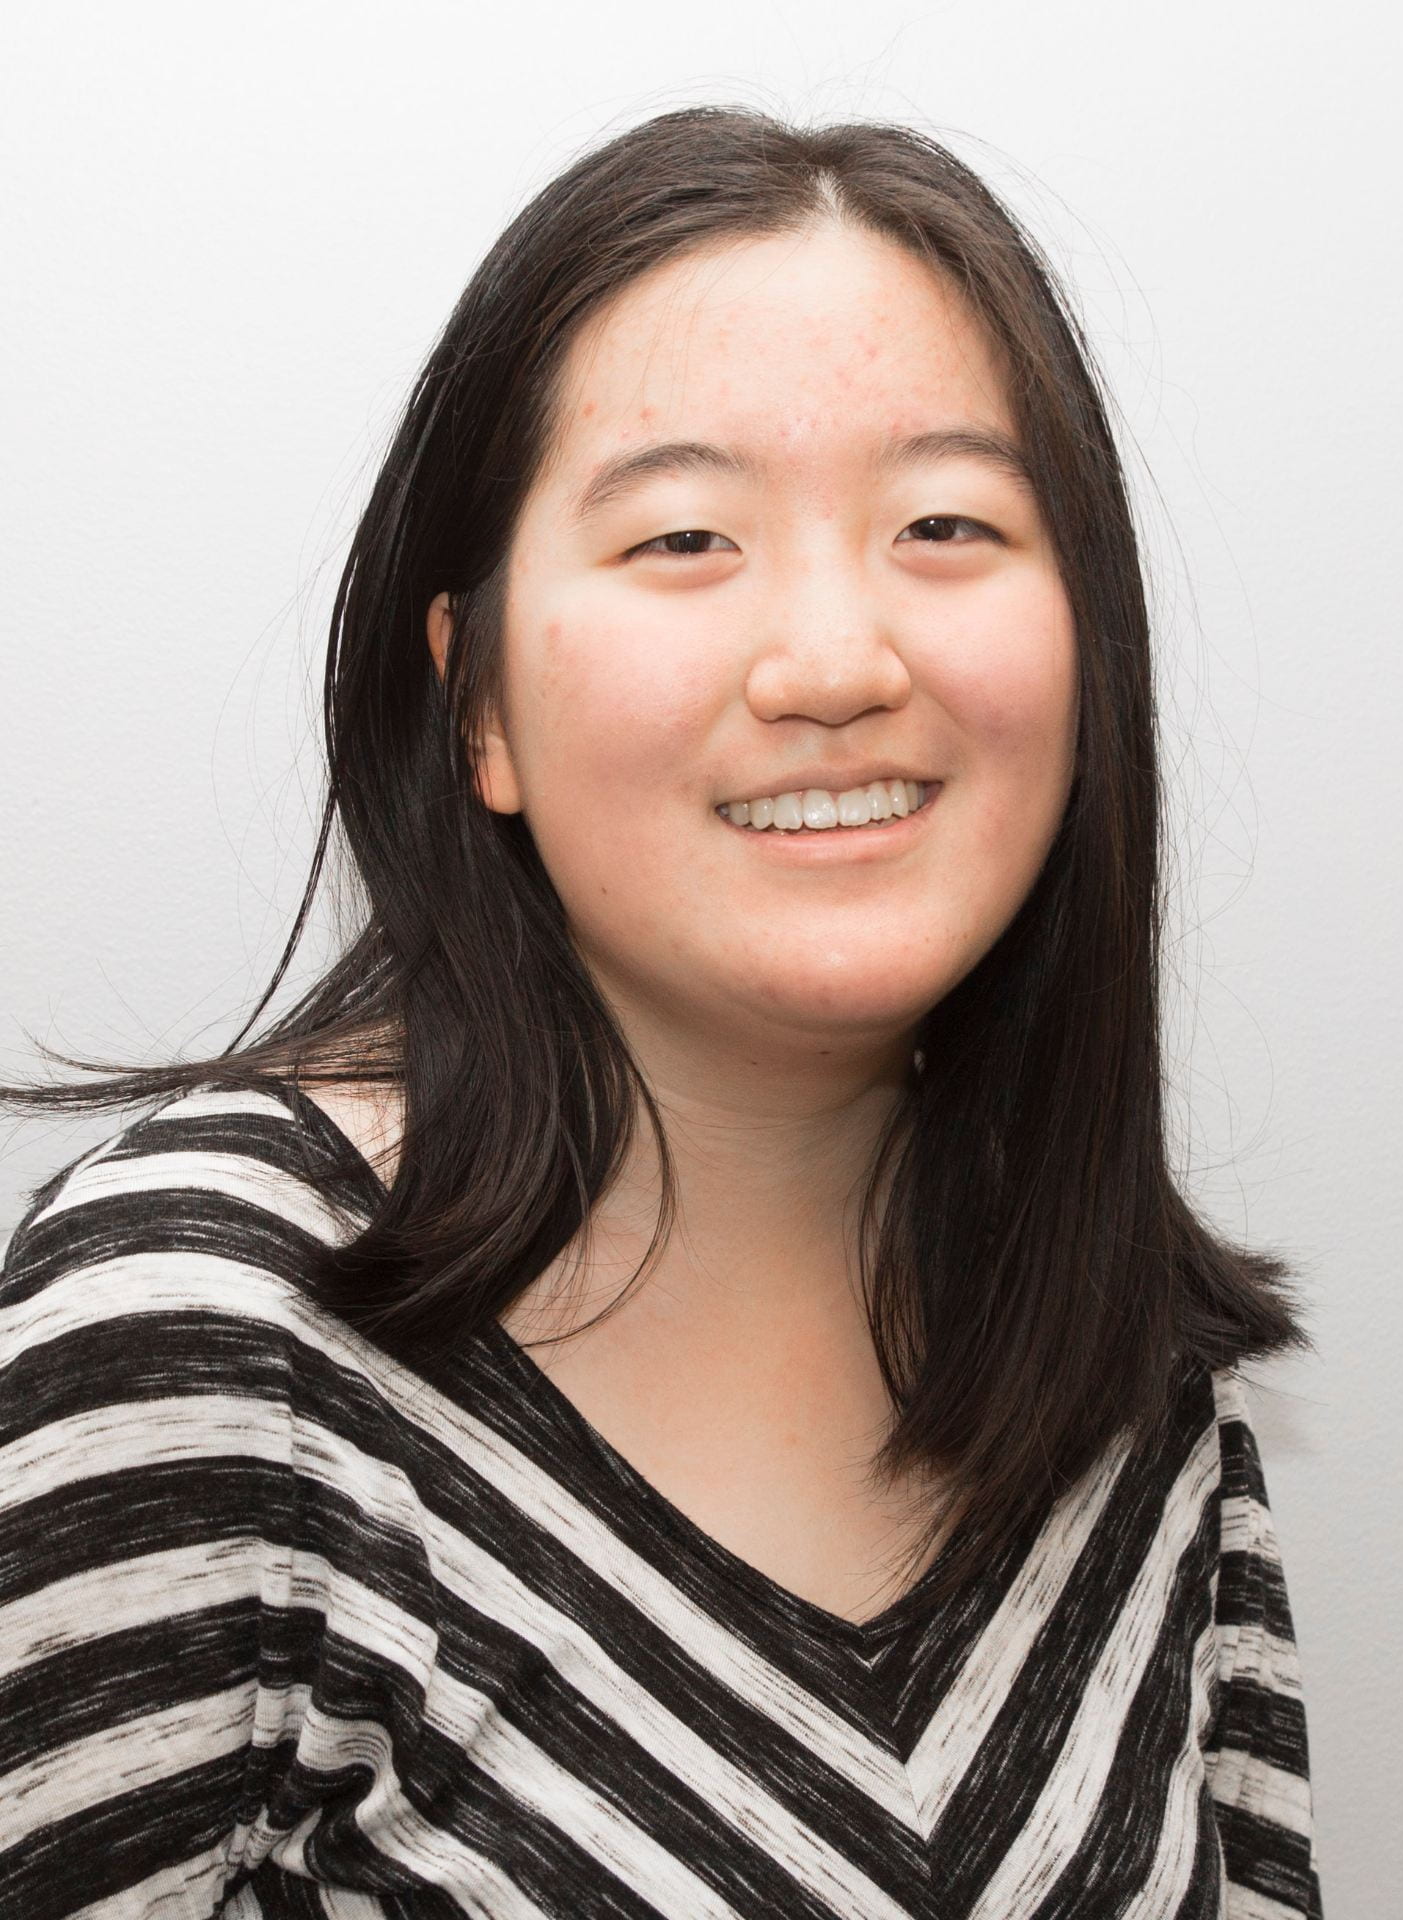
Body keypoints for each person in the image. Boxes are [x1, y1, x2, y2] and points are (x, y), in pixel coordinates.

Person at [0, 105, 1323, 1917]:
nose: (837, 664)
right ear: (476, 704)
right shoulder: (203, 1329)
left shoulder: (1123, 1364)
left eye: (947, 522)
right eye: (688, 537)